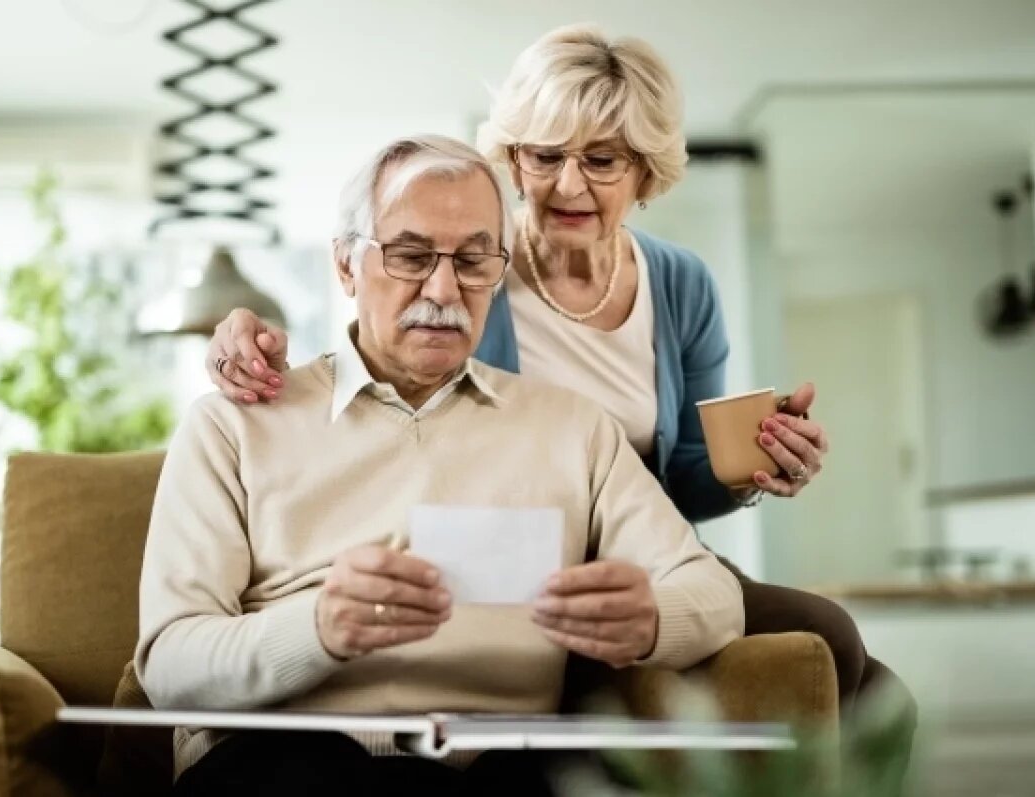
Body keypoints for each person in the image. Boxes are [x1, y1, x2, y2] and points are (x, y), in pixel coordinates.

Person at [203, 23, 916, 739]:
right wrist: (244, 336)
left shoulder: (680, 285)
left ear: (646, 170)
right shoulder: (473, 265)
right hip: (517, 559)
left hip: (636, 552)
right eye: (545, 156)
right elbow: (384, 366)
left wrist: (753, 467)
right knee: (834, 647)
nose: (568, 185)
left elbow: (688, 481)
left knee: (861, 671)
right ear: (513, 159)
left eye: (602, 159)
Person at [138, 134, 745, 797]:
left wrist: (653, 618)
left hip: (497, 767)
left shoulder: (573, 428)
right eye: (410, 255)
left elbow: (714, 595)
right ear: (345, 265)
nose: (444, 287)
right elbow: (169, 664)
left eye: (474, 260)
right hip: (286, 760)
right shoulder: (234, 422)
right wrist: (317, 627)